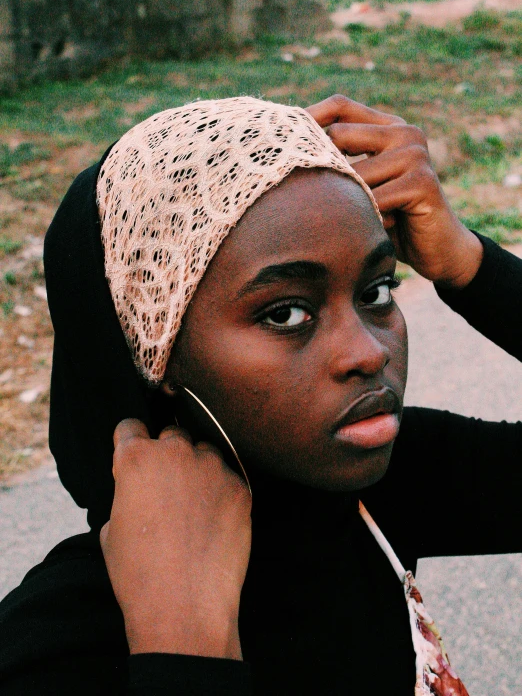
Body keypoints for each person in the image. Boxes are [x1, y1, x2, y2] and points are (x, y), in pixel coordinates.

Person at [0, 94, 520, 695]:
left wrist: (469, 263)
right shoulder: (59, 643)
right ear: (156, 352)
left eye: (376, 291)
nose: (368, 353)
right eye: (287, 312)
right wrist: (184, 645)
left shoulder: (373, 492)